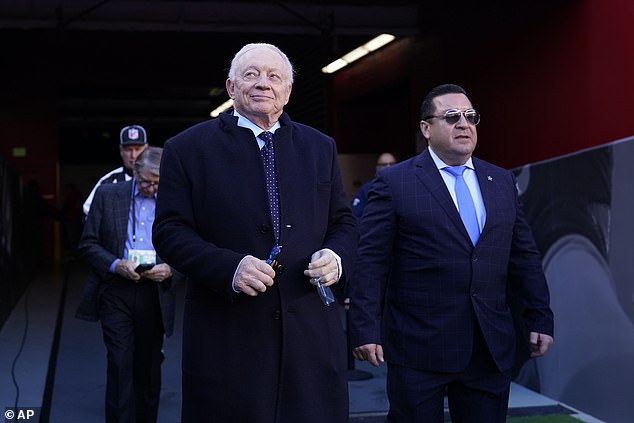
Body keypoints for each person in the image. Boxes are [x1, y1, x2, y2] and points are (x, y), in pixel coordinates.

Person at [152, 43, 358, 423]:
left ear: (288, 91)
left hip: (311, 338)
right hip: (228, 339)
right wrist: (227, 267)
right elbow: (168, 231)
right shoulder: (187, 149)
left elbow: (343, 223)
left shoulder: (320, 147)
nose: (263, 83)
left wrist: (336, 257)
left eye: (274, 76)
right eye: (251, 75)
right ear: (231, 88)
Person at [348, 83, 554, 423]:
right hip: (418, 346)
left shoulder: (500, 180)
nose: (464, 124)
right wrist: (365, 327)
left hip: (488, 345)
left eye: (470, 117)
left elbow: (524, 256)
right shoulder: (394, 183)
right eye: (452, 117)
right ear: (426, 129)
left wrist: (540, 315)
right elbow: (371, 261)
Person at [75, 146, 178, 423]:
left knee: (149, 366)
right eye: (145, 182)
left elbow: (189, 246)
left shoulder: (174, 199)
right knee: (120, 361)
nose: (151, 189)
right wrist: (115, 264)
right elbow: (88, 243)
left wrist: (171, 269)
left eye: (157, 183)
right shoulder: (109, 195)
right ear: (134, 173)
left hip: (154, 292)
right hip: (116, 289)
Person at [83, 124, 149, 216]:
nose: (133, 155)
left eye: (137, 149)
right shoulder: (108, 181)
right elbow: (88, 212)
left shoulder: (159, 179)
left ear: (146, 149)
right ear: (121, 150)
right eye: (128, 150)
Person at [351, 152, 397, 222]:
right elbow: (356, 216)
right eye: (384, 164)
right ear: (377, 168)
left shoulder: (403, 187)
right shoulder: (366, 189)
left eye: (392, 164)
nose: (388, 167)